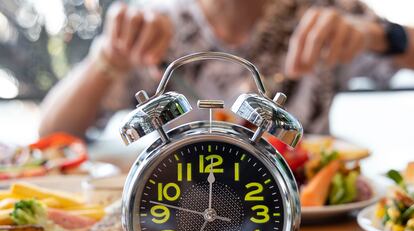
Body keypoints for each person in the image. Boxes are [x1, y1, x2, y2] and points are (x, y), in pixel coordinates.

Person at [39, 0, 414, 138]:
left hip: (312, 223)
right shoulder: (153, 24)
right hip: (176, 216)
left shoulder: (328, 14)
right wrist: (108, 57)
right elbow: (52, 132)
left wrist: (380, 35)